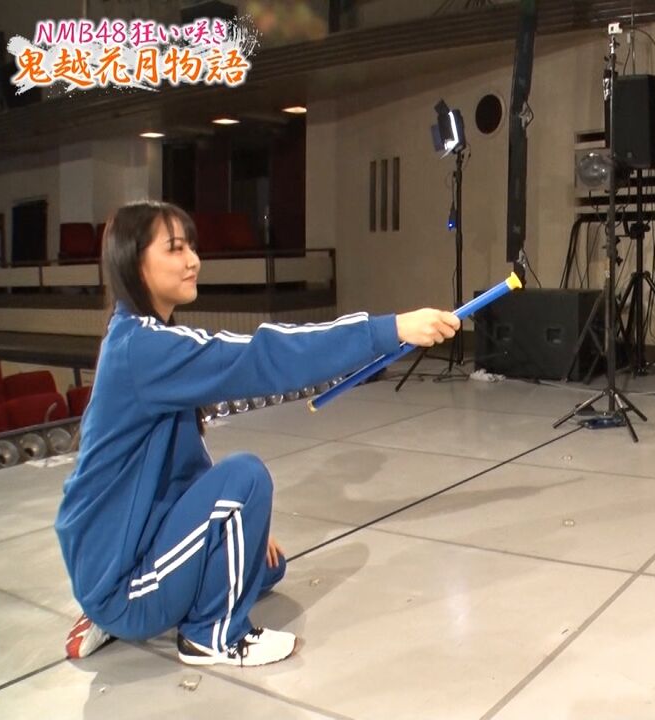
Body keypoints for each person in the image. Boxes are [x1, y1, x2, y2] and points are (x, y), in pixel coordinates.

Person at [56, 201, 460, 666]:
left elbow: (179, 460)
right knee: (246, 477)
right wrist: (390, 330)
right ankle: (211, 635)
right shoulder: (144, 348)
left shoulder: (138, 337)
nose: (193, 261)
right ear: (134, 261)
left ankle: (117, 606)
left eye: (192, 247)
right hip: (121, 581)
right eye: (175, 249)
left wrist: (227, 518)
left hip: (123, 555)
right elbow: (265, 355)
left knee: (267, 566)